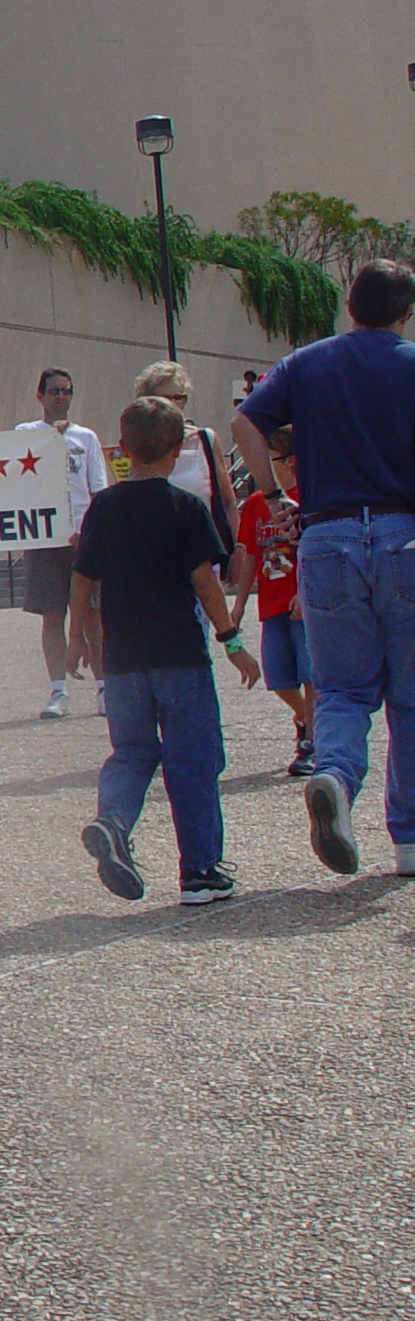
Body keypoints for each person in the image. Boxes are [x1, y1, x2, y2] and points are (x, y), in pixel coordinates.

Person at [235, 259, 415, 878]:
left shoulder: (306, 363)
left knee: (340, 686)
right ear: (405, 312)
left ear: (351, 304)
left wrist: (274, 494)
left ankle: (335, 776)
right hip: (402, 533)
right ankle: (410, 839)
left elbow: (245, 420)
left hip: (327, 534)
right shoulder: (410, 363)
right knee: (410, 696)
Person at [73, 396, 260, 905]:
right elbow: (204, 582)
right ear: (178, 450)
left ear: (123, 447)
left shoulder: (104, 508)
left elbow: (84, 578)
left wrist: (77, 640)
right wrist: (233, 641)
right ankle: (200, 871)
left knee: (132, 752)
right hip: (179, 655)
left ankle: (113, 819)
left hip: (123, 659)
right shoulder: (185, 507)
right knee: (193, 761)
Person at [17, 367, 109, 720]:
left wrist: (94, 531)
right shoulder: (26, 434)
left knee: (93, 616)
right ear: (40, 395)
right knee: (53, 615)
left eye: (66, 391)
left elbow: (97, 488)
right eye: (54, 391)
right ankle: (58, 691)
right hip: (46, 538)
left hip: (83, 538)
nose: (60, 397)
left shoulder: (86, 438)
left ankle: (104, 689)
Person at [227, 424, 315, 777]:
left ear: (290, 461)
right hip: (271, 603)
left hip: (302, 602)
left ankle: (311, 741)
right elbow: (250, 555)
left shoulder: (307, 496)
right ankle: (305, 719)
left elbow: (316, 550)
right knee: (278, 678)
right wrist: (239, 603)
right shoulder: (255, 504)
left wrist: (305, 592)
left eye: (270, 458)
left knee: (311, 674)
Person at [130, 360, 239, 563]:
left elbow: (228, 501)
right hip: (156, 556)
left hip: (205, 554)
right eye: (165, 398)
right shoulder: (139, 443)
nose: (174, 404)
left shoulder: (206, 439)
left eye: (179, 397)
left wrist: (236, 551)